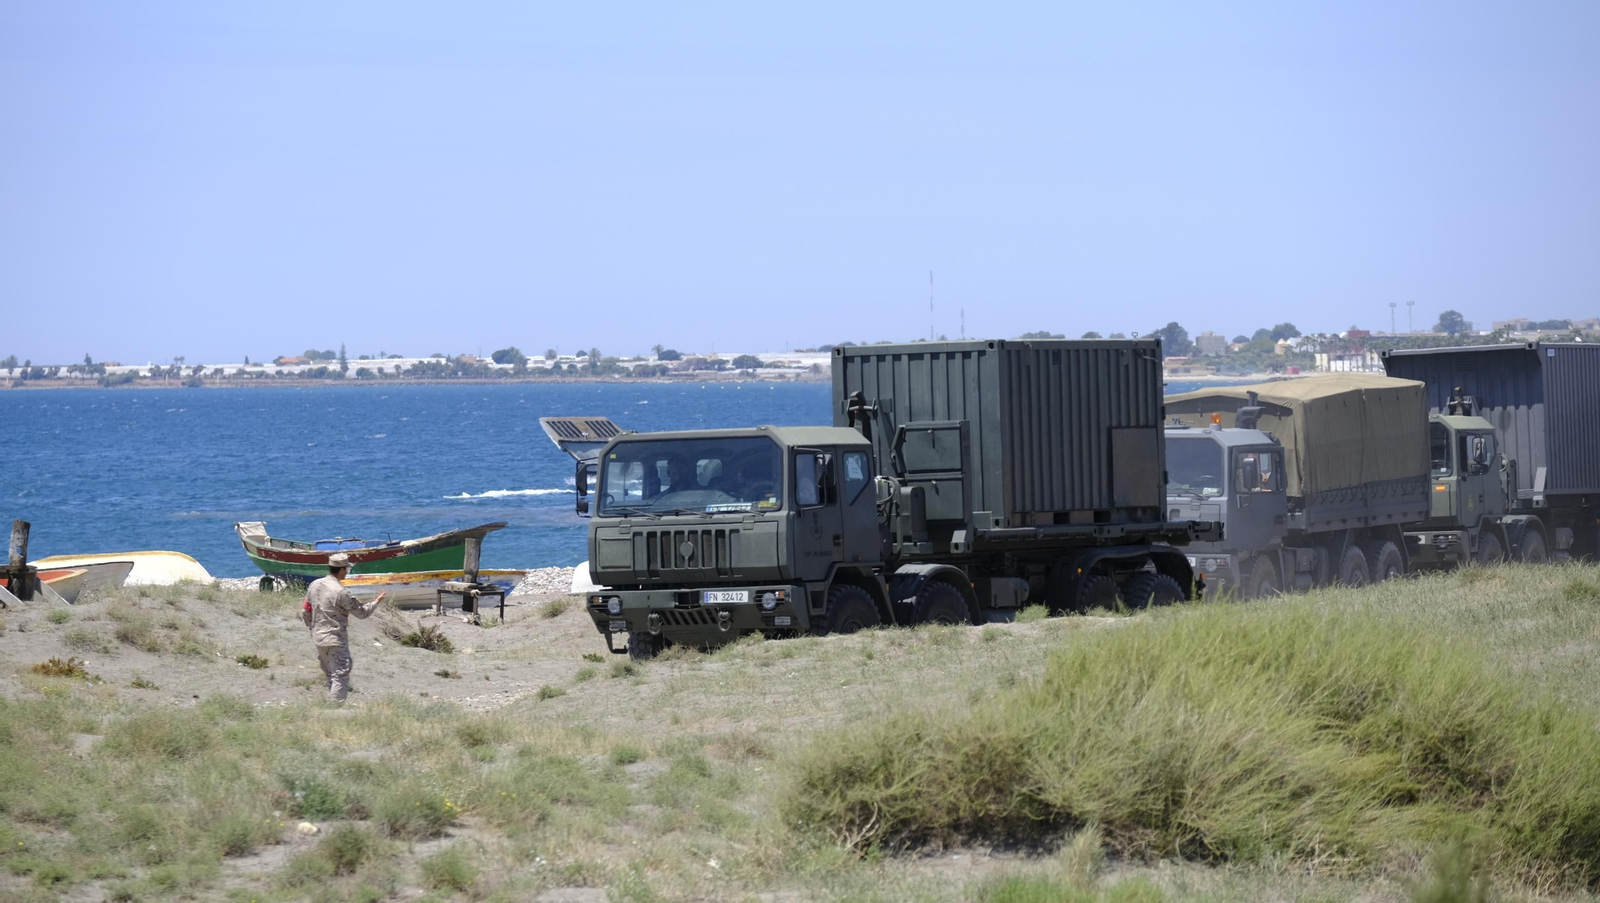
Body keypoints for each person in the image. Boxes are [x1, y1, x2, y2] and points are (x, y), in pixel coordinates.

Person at [300, 552, 385, 703]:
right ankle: (334, 710)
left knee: (330, 674)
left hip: (318, 638)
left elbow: (306, 610)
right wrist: (376, 601)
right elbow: (362, 613)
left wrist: (312, 629)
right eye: (346, 569)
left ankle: (330, 704)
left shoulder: (315, 585)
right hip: (335, 639)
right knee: (340, 674)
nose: (347, 571)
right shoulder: (341, 592)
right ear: (342, 570)